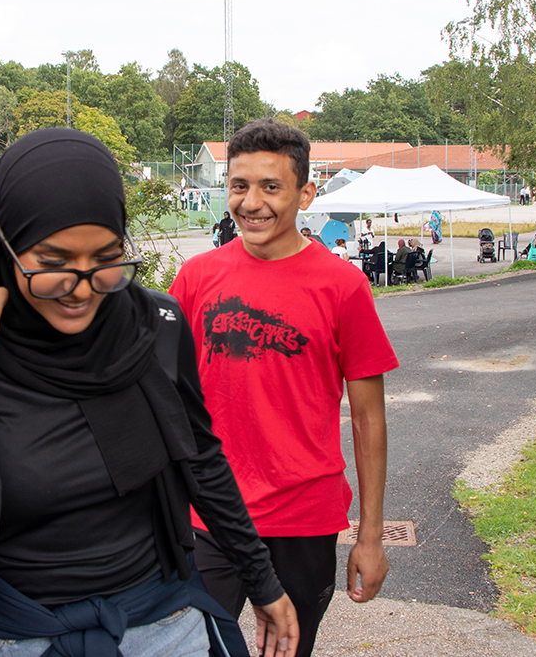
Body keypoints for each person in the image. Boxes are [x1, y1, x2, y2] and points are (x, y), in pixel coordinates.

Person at [0, 128, 299, 657]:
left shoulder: (152, 325)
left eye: (106, 258)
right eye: (51, 264)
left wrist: (263, 581)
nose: (80, 288)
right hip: (20, 635)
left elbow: (201, 461)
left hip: (163, 624)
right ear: (4, 244)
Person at [170, 119, 399, 657]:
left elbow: (369, 419)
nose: (251, 202)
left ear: (305, 193)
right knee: (197, 648)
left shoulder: (343, 286)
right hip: (210, 514)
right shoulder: (196, 279)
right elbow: (165, 399)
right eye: (239, 186)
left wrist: (370, 536)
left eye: (270, 187)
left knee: (284, 651)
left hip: (303, 515)